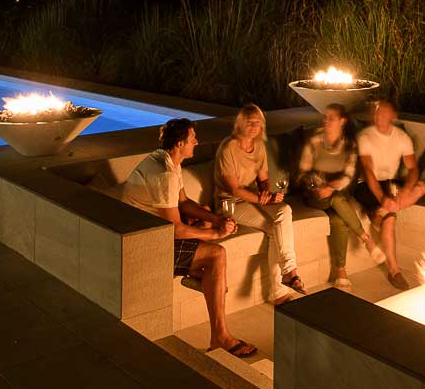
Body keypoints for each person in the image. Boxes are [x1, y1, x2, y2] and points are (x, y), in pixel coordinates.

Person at [121, 119, 255, 357]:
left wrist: (216, 219)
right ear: (180, 144)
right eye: (193, 138)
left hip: (152, 232)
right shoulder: (165, 174)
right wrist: (215, 234)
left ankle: (199, 275)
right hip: (144, 245)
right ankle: (220, 336)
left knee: (204, 216)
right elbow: (175, 230)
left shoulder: (168, 162)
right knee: (217, 254)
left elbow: (183, 202)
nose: (197, 142)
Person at [216, 103, 306, 301]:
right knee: (275, 228)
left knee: (285, 210)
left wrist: (266, 191)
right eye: (250, 122)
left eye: (257, 123)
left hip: (254, 198)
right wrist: (262, 198)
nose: (254, 127)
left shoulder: (258, 147)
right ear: (240, 123)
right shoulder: (228, 148)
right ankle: (281, 288)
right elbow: (234, 189)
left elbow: (263, 179)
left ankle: (288, 273)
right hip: (231, 203)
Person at [297, 102, 385, 289]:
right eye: (325, 117)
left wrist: (331, 187)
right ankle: (367, 240)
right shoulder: (314, 141)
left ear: (342, 121)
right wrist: (319, 185)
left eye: (331, 118)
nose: (326, 121)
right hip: (313, 193)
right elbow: (303, 171)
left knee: (338, 220)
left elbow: (348, 175)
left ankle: (341, 272)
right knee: (337, 199)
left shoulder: (349, 146)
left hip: (335, 194)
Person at [354, 96, 425, 288]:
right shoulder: (365, 137)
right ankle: (394, 271)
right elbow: (367, 171)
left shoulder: (402, 138)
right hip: (366, 185)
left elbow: (413, 169)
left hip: (389, 183)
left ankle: (382, 212)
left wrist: (405, 192)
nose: (379, 118)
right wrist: (382, 198)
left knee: (421, 187)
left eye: (384, 114)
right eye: (377, 114)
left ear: (393, 116)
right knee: (389, 219)